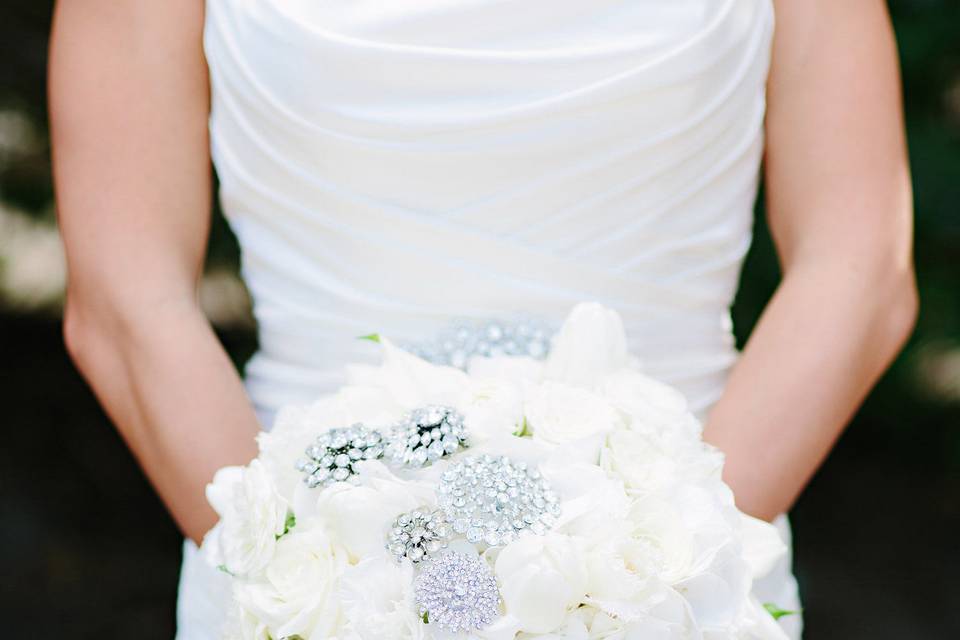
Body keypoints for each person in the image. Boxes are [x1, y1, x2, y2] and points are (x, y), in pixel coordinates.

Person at [48, 1, 917, 638]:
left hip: (697, 548)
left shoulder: (685, 568)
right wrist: (324, 594)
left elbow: (860, 266)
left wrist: (658, 583)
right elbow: (126, 299)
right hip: (296, 573)